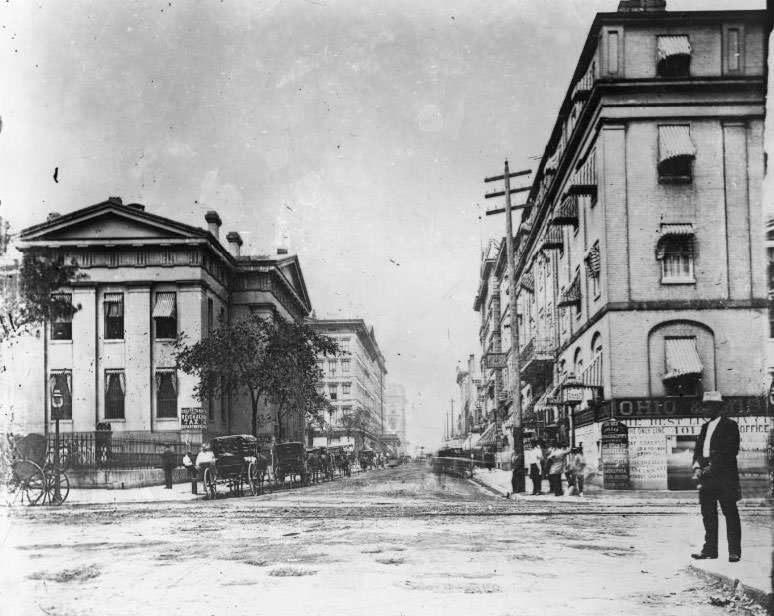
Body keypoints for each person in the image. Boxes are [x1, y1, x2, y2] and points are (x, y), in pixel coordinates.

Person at [690, 391, 742, 563]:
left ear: (717, 408)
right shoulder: (705, 427)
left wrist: (713, 466)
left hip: (724, 478)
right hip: (706, 478)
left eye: (708, 406)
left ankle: (734, 552)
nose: (705, 410)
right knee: (708, 514)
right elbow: (698, 450)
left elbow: (730, 450)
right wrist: (697, 467)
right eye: (704, 406)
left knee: (730, 513)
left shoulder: (730, 425)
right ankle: (710, 549)